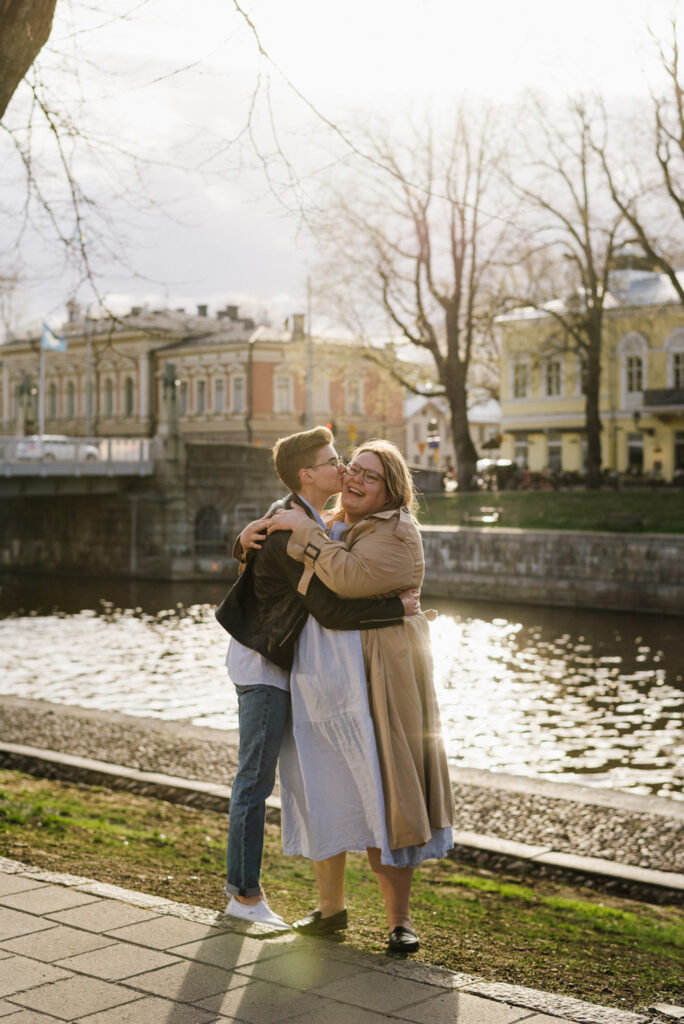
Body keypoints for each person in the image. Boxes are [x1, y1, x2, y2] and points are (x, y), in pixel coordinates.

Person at [215, 426, 419, 930]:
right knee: (255, 780)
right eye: (336, 462)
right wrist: (398, 608)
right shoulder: (290, 525)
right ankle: (242, 897)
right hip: (264, 665)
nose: (344, 469)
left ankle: (336, 909)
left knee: (293, 782)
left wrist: (240, 541)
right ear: (309, 475)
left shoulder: (302, 517)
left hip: (285, 667)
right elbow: (329, 607)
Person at [266, 439, 454, 953]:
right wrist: (249, 538)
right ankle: (330, 911)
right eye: (352, 469)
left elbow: (347, 580)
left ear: (393, 489)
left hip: (380, 682)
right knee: (325, 789)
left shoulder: (397, 533)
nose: (354, 479)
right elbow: (288, 571)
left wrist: (306, 536)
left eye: (370, 476)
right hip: (325, 680)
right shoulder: (331, 524)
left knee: (381, 788)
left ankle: (399, 920)